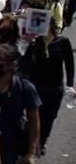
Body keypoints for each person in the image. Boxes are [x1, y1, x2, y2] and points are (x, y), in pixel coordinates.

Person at [21, 19, 73, 154]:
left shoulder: (63, 42)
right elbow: (25, 63)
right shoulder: (34, 43)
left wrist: (70, 85)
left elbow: (69, 64)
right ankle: (31, 143)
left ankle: (42, 141)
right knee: (34, 116)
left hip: (55, 88)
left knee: (49, 116)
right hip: (36, 86)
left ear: (51, 26)